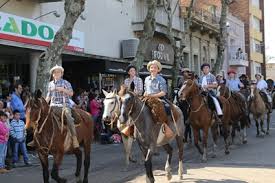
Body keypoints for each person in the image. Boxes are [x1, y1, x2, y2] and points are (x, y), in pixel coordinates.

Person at [46, 65, 79, 148]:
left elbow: (71, 93)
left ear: (61, 74)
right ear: (52, 74)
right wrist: (44, 104)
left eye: (58, 72)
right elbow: (48, 97)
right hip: (53, 105)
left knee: (69, 117)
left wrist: (63, 89)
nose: (56, 73)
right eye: (55, 72)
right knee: (42, 117)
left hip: (64, 105)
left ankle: (74, 137)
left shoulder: (66, 83)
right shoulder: (50, 84)